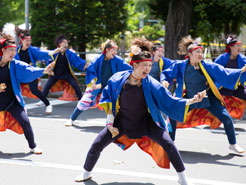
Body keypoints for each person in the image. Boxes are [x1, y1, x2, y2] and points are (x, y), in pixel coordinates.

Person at [74, 38, 207, 185]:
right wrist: (110, 124)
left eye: (150, 65)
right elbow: (110, 102)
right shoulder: (118, 80)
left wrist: (192, 100)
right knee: (97, 144)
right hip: (121, 123)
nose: (148, 69)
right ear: (134, 65)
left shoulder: (151, 84)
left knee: (169, 144)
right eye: (144, 65)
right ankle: (86, 173)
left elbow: (170, 100)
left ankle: (183, 178)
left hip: (146, 123)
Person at [162, 36, 246, 154]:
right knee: (172, 115)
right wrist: (164, 81)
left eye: (201, 52)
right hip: (188, 98)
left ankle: (233, 144)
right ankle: (171, 143)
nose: (200, 54)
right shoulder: (180, 65)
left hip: (208, 98)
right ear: (190, 54)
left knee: (226, 118)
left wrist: (241, 71)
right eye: (197, 52)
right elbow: (167, 73)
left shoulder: (207, 65)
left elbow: (223, 72)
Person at [0, 33, 53, 154]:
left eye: (14, 50)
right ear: (3, 51)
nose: (14, 53)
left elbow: (28, 69)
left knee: (25, 121)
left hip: (11, 101)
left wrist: (43, 70)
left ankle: (33, 146)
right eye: (11, 50)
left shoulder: (14, 64)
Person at [65, 40, 132, 126]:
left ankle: (110, 125)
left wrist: (137, 71)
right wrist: (92, 82)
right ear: (107, 50)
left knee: (110, 105)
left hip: (109, 88)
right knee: (84, 102)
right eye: (114, 50)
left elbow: (127, 68)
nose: (115, 52)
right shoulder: (98, 59)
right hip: (96, 86)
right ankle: (71, 119)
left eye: (116, 50)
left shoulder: (117, 60)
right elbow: (91, 70)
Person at [15, 27, 53, 114]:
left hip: (30, 73)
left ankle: (48, 104)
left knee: (34, 90)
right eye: (26, 41)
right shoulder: (17, 51)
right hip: (19, 74)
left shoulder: (32, 50)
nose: (28, 42)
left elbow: (42, 53)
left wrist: (53, 52)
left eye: (30, 40)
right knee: (14, 90)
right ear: (22, 40)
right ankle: (19, 109)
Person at [42, 35, 86, 103]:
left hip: (67, 74)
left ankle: (81, 101)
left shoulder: (69, 53)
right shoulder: (55, 52)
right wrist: (49, 69)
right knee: (47, 86)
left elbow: (77, 60)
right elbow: (49, 60)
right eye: (64, 43)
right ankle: (42, 100)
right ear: (60, 44)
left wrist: (85, 64)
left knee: (76, 86)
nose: (66, 45)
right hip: (56, 74)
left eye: (67, 43)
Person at [214, 34, 246, 100]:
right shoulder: (221, 59)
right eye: (238, 46)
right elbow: (214, 71)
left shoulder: (242, 59)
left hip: (237, 87)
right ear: (231, 47)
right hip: (223, 86)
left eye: (240, 46)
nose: (240, 48)